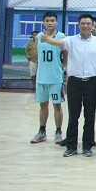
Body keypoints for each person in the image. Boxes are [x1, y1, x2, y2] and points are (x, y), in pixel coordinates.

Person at [42, 14, 96, 157]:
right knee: (73, 116)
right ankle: (71, 146)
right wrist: (47, 39)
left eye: (88, 23)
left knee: (89, 116)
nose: (85, 26)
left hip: (92, 82)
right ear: (78, 25)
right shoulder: (71, 40)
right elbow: (58, 42)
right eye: (83, 23)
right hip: (74, 82)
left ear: (92, 26)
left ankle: (87, 146)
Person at [30, 13, 66, 145]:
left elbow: (66, 53)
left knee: (57, 105)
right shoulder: (39, 36)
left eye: (52, 20)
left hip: (55, 77)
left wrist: (64, 67)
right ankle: (42, 132)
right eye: (47, 21)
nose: (50, 23)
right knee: (43, 106)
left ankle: (58, 132)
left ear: (56, 22)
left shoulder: (61, 36)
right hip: (41, 77)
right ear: (43, 23)